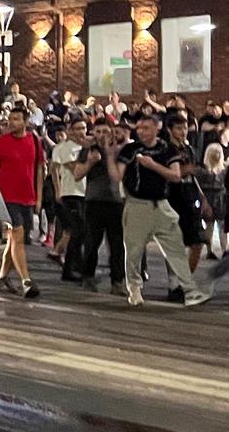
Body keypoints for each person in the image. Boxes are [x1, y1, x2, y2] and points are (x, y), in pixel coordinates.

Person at [109, 111, 209, 307]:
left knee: (176, 248)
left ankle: (189, 289)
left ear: (157, 128)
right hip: (138, 205)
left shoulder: (168, 150)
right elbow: (117, 176)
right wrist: (110, 155)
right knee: (134, 251)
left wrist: (152, 165)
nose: (141, 132)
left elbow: (175, 176)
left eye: (146, 128)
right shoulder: (131, 150)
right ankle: (135, 289)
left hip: (162, 205)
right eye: (139, 128)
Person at [0, 106, 41, 298]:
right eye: (10, 119)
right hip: (7, 198)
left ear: (26, 122)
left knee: (14, 239)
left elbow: (39, 170)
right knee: (16, 236)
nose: (12, 122)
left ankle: (2, 275)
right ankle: (26, 281)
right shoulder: (0, 144)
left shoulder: (34, 141)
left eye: (17, 119)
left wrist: (39, 198)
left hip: (27, 196)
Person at [73, 121, 126, 294]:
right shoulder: (89, 150)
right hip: (94, 201)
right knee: (91, 242)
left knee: (117, 245)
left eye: (105, 131)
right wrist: (90, 162)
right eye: (98, 131)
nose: (102, 134)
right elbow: (77, 174)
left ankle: (117, 281)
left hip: (116, 202)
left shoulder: (118, 151)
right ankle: (88, 277)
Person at [164, 112, 210, 297]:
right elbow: (167, 174)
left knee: (197, 243)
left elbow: (192, 175)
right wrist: (183, 171)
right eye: (178, 128)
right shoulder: (165, 149)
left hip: (190, 198)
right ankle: (174, 285)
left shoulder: (189, 150)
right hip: (173, 198)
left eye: (184, 128)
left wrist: (203, 197)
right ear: (169, 130)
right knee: (174, 244)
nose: (183, 132)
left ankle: (184, 281)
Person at [49, 120, 87, 281]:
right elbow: (58, 170)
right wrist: (58, 191)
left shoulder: (85, 148)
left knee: (79, 231)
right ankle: (67, 265)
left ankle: (72, 261)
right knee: (75, 230)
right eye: (77, 128)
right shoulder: (64, 148)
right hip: (71, 192)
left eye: (84, 128)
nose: (81, 132)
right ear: (70, 130)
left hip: (86, 193)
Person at [200, 142, 227, 259]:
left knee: (210, 226)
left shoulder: (203, 171)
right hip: (219, 199)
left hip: (209, 199)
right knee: (221, 227)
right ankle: (224, 250)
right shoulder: (224, 170)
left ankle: (210, 251)